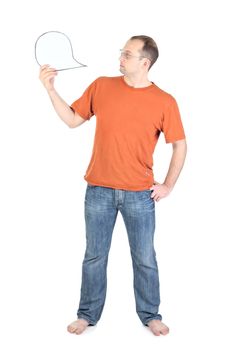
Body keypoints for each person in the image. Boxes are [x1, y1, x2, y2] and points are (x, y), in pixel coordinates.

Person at [39, 35, 187, 336]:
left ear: (144, 63)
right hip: (98, 191)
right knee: (94, 255)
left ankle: (150, 315)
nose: (120, 57)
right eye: (122, 52)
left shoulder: (165, 101)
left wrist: (168, 186)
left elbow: (180, 146)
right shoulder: (101, 86)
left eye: (127, 54)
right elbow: (72, 120)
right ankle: (86, 315)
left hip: (139, 195)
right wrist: (50, 89)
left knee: (145, 257)